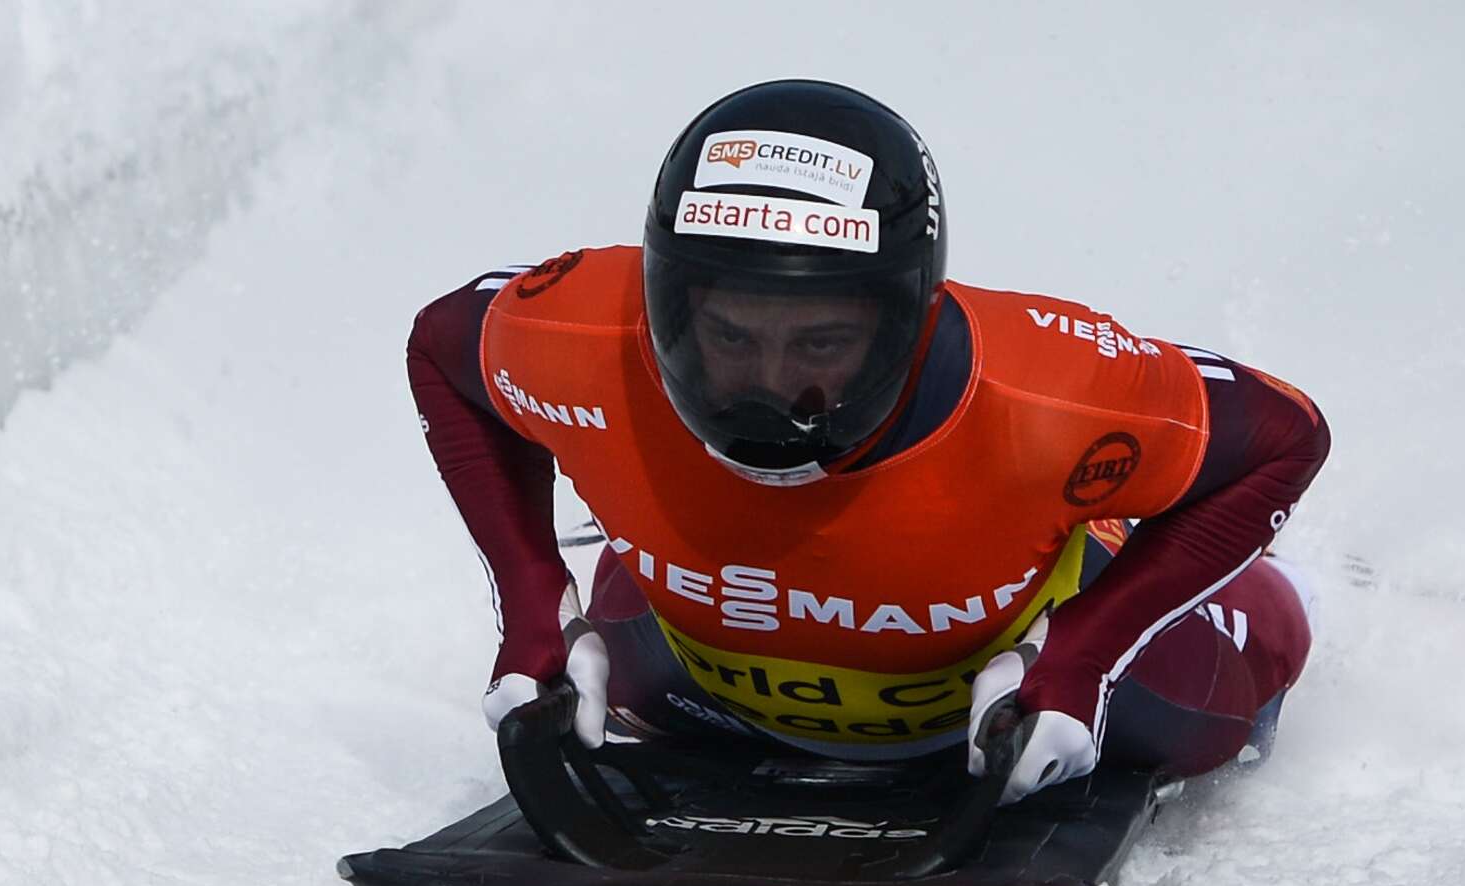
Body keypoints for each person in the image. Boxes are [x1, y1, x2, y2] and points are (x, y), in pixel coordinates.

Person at [406, 79, 1327, 803]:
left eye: (820, 343)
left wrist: (1087, 654)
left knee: (1230, 703)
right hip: (695, 668)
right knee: (629, 648)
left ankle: (1216, 570)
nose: (768, 389)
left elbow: (1286, 437)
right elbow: (440, 350)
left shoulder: (1047, 390)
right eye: (728, 337)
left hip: (993, 693)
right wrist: (532, 604)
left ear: (906, 321)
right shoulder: (579, 334)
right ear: (663, 303)